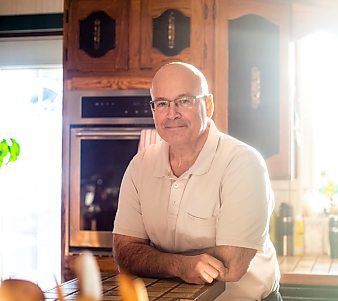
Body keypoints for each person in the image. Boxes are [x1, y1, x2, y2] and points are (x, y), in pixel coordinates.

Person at [113, 62, 282, 300]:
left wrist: (152, 257)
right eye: (162, 103)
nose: (172, 114)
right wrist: (180, 265)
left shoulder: (242, 162)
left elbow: (231, 263)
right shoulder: (140, 166)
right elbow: (124, 254)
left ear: (208, 105)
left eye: (184, 100)